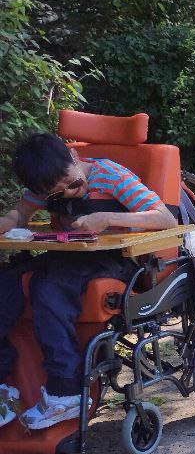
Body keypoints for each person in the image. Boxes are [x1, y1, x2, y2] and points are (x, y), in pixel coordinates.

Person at [0, 134, 177, 430]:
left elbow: (165, 219)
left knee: (48, 288)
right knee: (7, 284)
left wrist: (105, 217)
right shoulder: (46, 184)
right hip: (69, 256)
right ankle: (6, 385)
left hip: (116, 260)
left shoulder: (110, 175)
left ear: (74, 157)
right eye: (57, 194)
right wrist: (10, 222)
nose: (69, 194)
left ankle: (66, 393)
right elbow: (20, 214)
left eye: (73, 185)